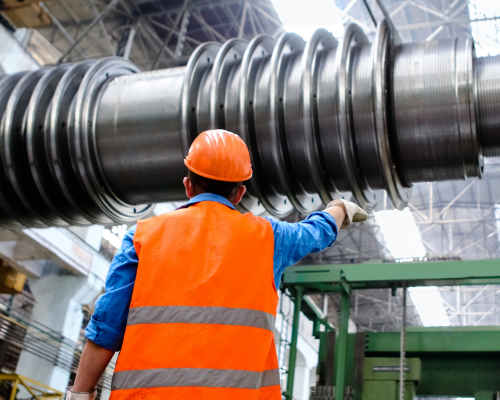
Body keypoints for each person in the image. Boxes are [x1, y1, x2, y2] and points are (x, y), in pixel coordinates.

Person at [66, 129, 367, 400]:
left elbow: (106, 328)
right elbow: (317, 232)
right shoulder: (269, 238)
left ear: (188, 185)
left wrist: (81, 394)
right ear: (239, 193)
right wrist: (339, 208)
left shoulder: (142, 236)